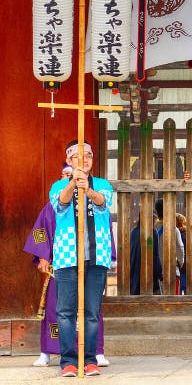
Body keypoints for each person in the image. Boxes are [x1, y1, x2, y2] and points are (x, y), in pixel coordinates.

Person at [23, 176, 111, 368]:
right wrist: (43, 256)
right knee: (60, 310)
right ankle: (49, 351)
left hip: (92, 260)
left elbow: (105, 224)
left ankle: (95, 352)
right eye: (66, 175)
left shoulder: (97, 196)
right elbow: (41, 231)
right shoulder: (54, 202)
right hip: (63, 263)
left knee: (91, 309)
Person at [49, 141, 114, 377]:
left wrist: (87, 189)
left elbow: (103, 203)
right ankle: (67, 361)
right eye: (77, 156)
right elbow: (60, 205)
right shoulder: (57, 186)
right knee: (65, 311)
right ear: (68, 160)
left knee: (91, 311)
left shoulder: (103, 185)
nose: (83, 160)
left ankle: (89, 359)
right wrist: (72, 184)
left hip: (96, 256)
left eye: (87, 155)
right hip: (67, 256)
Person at [154, 199, 185, 295]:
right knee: (173, 301)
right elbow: (180, 248)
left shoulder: (154, 228)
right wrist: (181, 262)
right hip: (172, 271)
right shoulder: (174, 229)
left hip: (158, 273)